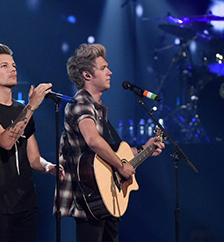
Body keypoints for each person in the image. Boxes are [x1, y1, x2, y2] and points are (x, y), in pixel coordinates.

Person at [56, 43, 165, 242]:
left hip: (105, 192)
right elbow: (93, 140)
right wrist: (120, 166)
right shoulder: (81, 102)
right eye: (104, 68)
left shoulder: (97, 107)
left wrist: (144, 149)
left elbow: (109, 150)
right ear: (87, 75)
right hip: (88, 193)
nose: (110, 72)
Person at [0, 43, 62, 242]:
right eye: (4, 66)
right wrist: (31, 106)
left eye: (13, 65)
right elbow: (5, 141)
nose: (13, 69)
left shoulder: (20, 109)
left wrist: (49, 167)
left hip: (26, 203)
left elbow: (33, 158)